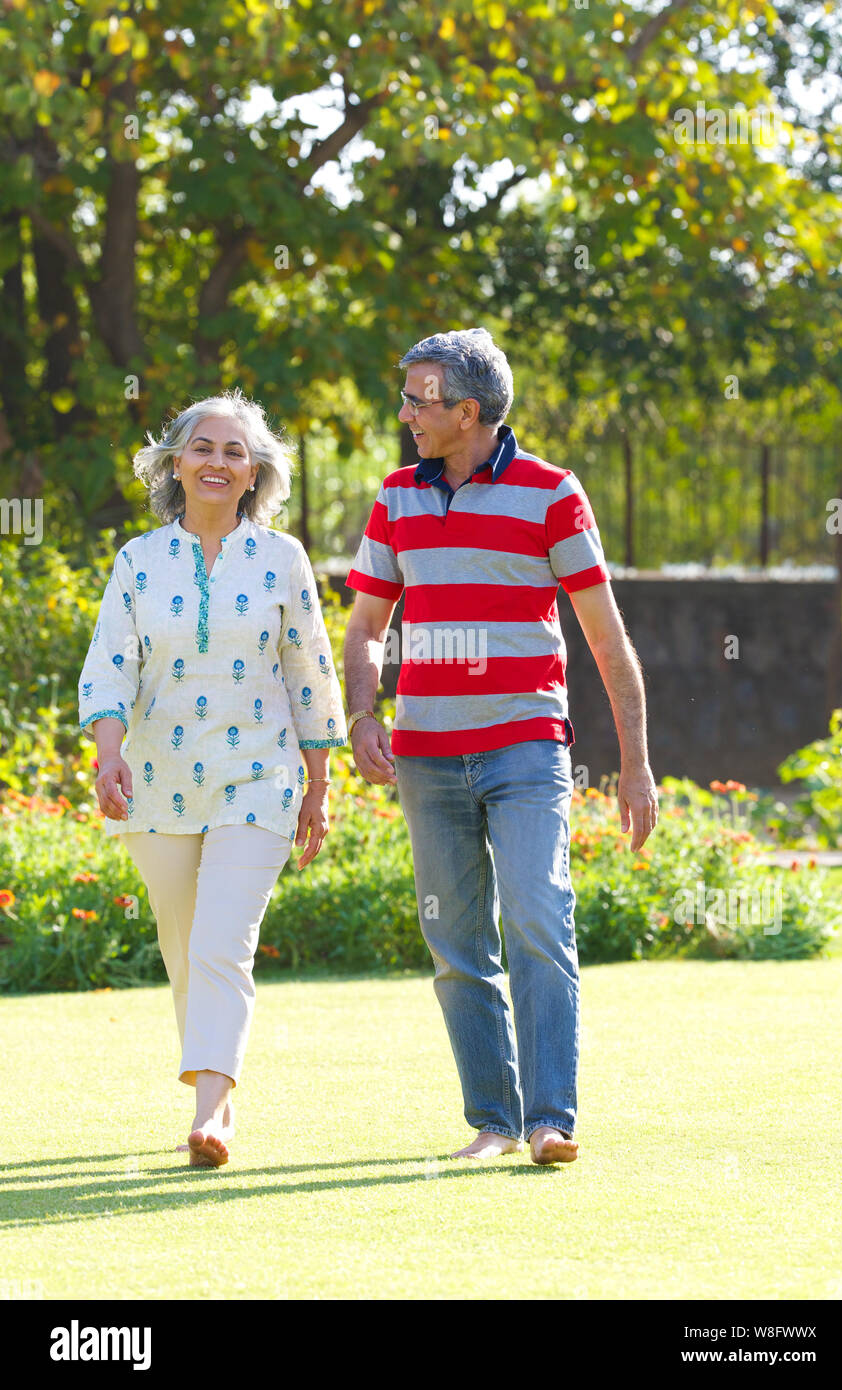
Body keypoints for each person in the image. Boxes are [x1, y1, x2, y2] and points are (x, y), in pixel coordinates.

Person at [344, 328, 657, 1164]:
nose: (406, 411)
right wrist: (363, 713)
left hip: (525, 747)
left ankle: (550, 1117)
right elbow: (368, 624)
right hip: (425, 755)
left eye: (420, 397)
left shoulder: (552, 494)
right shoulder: (396, 497)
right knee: (456, 941)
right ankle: (492, 1119)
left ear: (467, 411)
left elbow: (606, 639)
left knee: (538, 915)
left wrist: (636, 767)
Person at [78, 389, 346, 1167]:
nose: (219, 462)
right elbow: (109, 667)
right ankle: (216, 1087)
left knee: (223, 942)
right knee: (182, 944)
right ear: (175, 463)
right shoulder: (138, 560)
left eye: (236, 452)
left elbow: (310, 671)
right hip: (156, 779)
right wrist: (108, 752)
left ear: (257, 470)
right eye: (204, 448)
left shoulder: (283, 559)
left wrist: (319, 786)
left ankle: (212, 1112)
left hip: (259, 776)